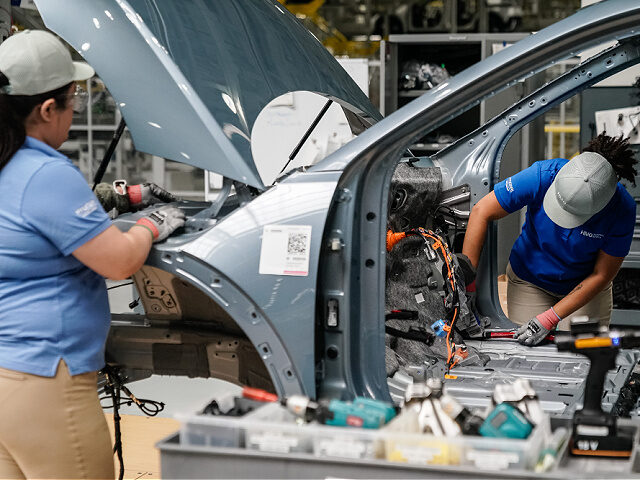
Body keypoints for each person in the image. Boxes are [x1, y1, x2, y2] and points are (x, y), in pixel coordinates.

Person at [0, 30, 185, 479]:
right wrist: (153, 223)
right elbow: (119, 260)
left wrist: (120, 196)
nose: (74, 111)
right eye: (73, 101)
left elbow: (39, 218)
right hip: (47, 382)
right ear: (47, 109)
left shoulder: (7, 161)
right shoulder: (45, 171)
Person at [460, 133, 637, 346]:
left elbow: (601, 274)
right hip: (530, 279)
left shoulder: (622, 209)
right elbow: (481, 211)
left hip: (585, 285)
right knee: (525, 349)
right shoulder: (542, 175)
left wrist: (550, 317)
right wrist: (467, 285)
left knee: (581, 354)